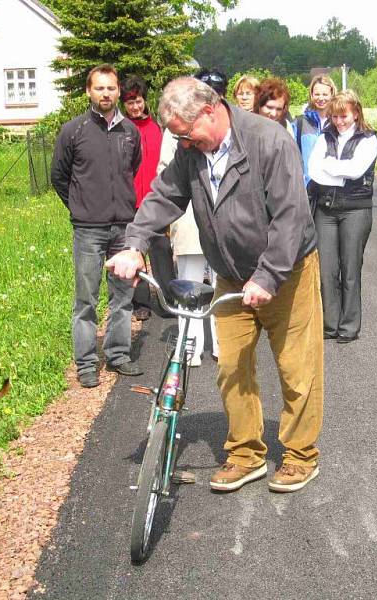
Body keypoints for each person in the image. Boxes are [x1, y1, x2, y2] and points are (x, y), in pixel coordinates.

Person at [106, 77, 323, 493]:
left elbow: (291, 215)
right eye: (177, 137)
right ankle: (245, 453)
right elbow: (164, 196)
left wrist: (269, 274)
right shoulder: (191, 152)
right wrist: (134, 244)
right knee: (230, 367)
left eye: (187, 134)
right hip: (230, 272)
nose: (184, 143)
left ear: (210, 110)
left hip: (287, 271)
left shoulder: (268, 140)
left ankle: (300, 456)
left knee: (297, 369)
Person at [50, 64, 144, 388]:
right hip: (88, 230)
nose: (106, 93)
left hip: (123, 228)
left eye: (111, 88)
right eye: (99, 88)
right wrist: (79, 207)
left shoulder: (129, 132)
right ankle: (87, 363)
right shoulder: (73, 131)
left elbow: (133, 167)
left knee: (122, 298)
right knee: (86, 300)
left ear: (118, 92)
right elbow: (59, 177)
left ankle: (118, 356)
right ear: (88, 92)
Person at [162, 69, 229, 366]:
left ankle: (222, 344)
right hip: (189, 216)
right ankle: (189, 346)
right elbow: (167, 175)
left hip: (223, 226)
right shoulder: (175, 128)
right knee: (189, 284)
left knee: (221, 286)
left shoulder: (230, 127)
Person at [307, 90, 377, 343]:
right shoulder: (325, 136)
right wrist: (338, 172)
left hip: (356, 209)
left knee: (350, 270)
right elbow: (314, 171)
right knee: (326, 270)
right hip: (325, 209)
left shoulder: (368, 139)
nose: (339, 121)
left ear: (356, 113)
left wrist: (330, 166)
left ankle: (349, 327)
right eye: (335, 116)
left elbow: (356, 171)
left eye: (344, 115)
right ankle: (329, 325)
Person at [121, 75, 163, 322]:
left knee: (161, 250)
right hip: (130, 200)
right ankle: (141, 301)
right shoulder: (123, 130)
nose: (135, 107)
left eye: (137, 101)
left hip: (156, 199)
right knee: (136, 251)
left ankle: (167, 297)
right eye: (129, 103)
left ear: (144, 100)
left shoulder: (157, 128)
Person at [295, 74, 337, 186]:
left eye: (325, 94)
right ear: (311, 95)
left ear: (332, 95)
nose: (321, 98)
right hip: (306, 189)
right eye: (317, 94)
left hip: (331, 190)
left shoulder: (338, 123)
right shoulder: (300, 123)